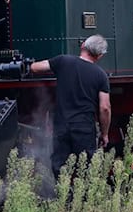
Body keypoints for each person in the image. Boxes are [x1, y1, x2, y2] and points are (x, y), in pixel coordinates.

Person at [29, 35, 111, 178]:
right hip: (84, 126)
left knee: (59, 164)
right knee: (85, 166)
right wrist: (104, 133)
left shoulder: (63, 61)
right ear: (99, 56)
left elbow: (35, 67)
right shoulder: (101, 75)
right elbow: (105, 108)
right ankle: (83, 198)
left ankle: (64, 196)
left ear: (83, 46)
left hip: (62, 124)